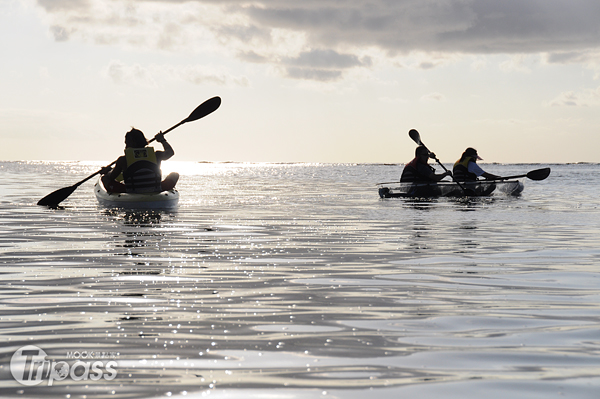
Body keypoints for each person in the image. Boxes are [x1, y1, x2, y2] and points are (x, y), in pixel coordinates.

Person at [100, 128, 179, 193]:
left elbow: (112, 177)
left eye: (126, 143)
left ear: (132, 143)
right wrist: (162, 140)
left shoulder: (123, 160)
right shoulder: (156, 155)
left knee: (105, 178)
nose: (125, 146)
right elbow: (170, 152)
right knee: (174, 174)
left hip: (131, 191)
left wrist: (107, 171)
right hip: (156, 189)